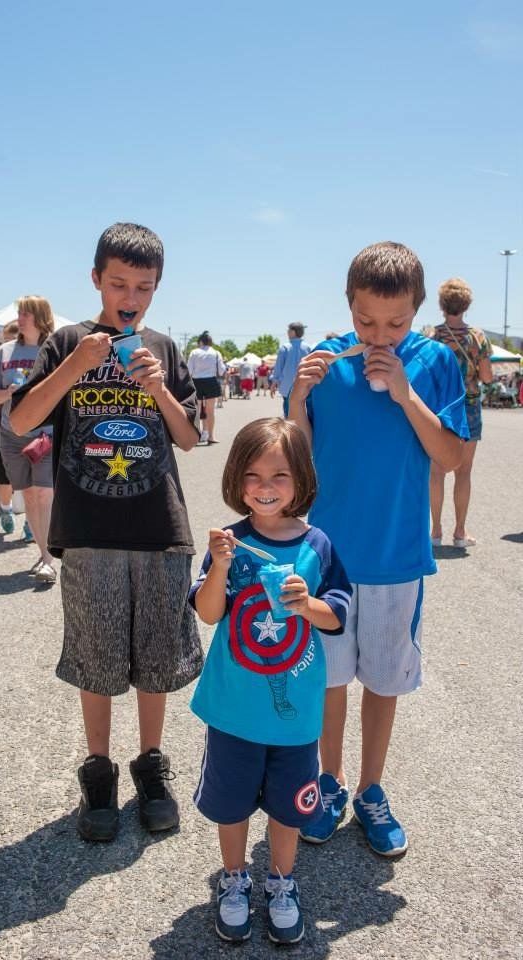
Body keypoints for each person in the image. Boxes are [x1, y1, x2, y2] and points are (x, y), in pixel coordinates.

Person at [9, 222, 203, 841]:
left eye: (143, 287)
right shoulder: (67, 341)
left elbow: (192, 437)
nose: (131, 295)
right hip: (88, 528)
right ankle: (99, 770)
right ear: (95, 280)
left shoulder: (166, 350)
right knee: (96, 656)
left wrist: (157, 390)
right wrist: (74, 365)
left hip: (158, 524)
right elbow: (20, 420)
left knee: (156, 656)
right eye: (118, 282)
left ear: (156, 290)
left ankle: (151, 765)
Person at [288, 241, 468, 856]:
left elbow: (448, 456)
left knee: (384, 682)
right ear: (348, 305)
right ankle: (329, 783)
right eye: (367, 321)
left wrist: (404, 395)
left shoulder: (436, 361)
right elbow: (298, 461)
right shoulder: (327, 362)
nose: (380, 335)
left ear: (418, 309)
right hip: (330, 560)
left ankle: (371, 789)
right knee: (330, 682)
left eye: (396, 323)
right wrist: (295, 401)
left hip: (397, 558)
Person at [189, 418, 351, 944]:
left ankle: (282, 882)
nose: (265, 485)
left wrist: (307, 605)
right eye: (253, 473)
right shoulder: (229, 543)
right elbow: (209, 614)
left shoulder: (319, 544)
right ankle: (234, 879)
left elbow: (338, 615)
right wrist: (216, 567)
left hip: (297, 714)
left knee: (291, 807)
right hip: (233, 709)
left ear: (301, 480)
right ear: (237, 479)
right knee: (231, 803)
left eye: (279, 474)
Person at [0, 297, 56, 583]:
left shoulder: (52, 350)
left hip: (45, 435)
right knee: (27, 496)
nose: (20, 317)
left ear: (39, 317)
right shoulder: (5, 351)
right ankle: (43, 554)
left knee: (43, 493)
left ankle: (49, 559)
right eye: (20, 313)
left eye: (25, 313)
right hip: (11, 435)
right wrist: (10, 392)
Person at [428, 278, 492, 547]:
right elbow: (487, 377)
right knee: (464, 472)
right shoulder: (478, 337)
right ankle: (460, 532)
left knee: (437, 472)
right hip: (470, 406)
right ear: (466, 305)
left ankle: (436, 532)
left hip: (441, 407)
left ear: (443, 305)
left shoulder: (433, 336)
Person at [0, 320, 32, 542]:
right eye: (6, 339)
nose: (9, 344)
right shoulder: (1, 358)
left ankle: (31, 522)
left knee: (31, 477)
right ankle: (6, 508)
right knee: (3, 475)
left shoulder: (33, 357)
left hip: (31, 426)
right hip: (4, 425)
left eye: (13, 338)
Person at [187, 332, 226, 443]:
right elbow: (221, 370)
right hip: (211, 381)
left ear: (201, 341)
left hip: (197, 381)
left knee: (197, 409)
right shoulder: (216, 353)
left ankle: (198, 435)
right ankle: (211, 436)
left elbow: (189, 370)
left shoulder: (194, 352)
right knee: (210, 410)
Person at [271, 323, 314, 414]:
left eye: (289, 330)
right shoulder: (308, 347)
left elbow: (279, 367)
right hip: (305, 386)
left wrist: (274, 382)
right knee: (304, 413)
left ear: (293, 332)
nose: (287, 332)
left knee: (288, 413)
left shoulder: (285, 347)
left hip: (287, 387)